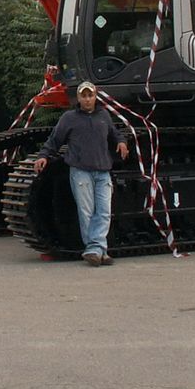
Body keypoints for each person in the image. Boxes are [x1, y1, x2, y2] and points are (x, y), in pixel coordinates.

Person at [33, 80, 129, 266]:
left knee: (103, 212)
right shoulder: (69, 118)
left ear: (95, 96)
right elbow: (55, 140)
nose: (87, 99)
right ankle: (96, 249)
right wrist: (44, 155)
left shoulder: (104, 115)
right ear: (78, 98)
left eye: (90, 95)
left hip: (102, 171)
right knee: (87, 212)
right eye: (84, 96)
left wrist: (122, 141)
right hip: (81, 171)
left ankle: (97, 250)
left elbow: (114, 133)